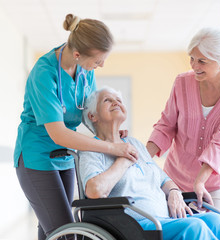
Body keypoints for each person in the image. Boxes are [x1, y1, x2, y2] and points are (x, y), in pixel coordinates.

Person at [14, 14, 138, 240]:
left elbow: (89, 113)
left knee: (52, 229)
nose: (100, 66)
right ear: (78, 54)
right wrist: (112, 148)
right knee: (66, 233)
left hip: (66, 156)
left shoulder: (85, 70)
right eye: (98, 61)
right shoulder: (44, 73)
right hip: (37, 156)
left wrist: (108, 134)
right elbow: (58, 133)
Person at [79, 87, 220, 240]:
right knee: (194, 228)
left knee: (216, 221)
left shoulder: (134, 143)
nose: (116, 103)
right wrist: (124, 160)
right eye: (107, 100)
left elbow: (163, 179)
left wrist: (174, 192)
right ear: (92, 116)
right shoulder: (91, 150)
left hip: (165, 219)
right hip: (134, 225)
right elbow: (94, 191)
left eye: (118, 100)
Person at [146, 27, 220, 231]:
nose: (194, 66)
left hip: (218, 184)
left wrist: (200, 181)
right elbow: (166, 125)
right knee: (179, 233)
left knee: (218, 231)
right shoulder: (182, 82)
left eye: (202, 61)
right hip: (175, 180)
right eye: (192, 58)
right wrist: (142, 158)